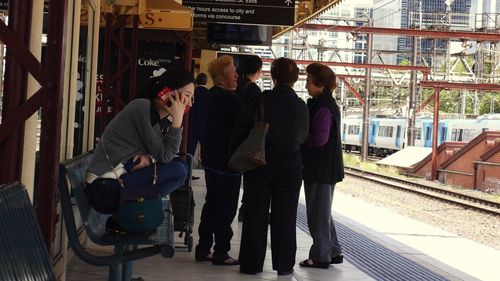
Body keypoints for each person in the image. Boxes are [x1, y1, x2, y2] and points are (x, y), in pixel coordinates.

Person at [232, 57, 309, 276]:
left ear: (273, 77)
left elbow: (242, 128)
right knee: (285, 216)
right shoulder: (301, 106)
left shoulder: (261, 100)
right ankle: (284, 266)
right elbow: (303, 136)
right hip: (290, 166)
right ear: (295, 80)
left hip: (259, 162)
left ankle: (250, 264)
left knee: (255, 213)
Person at [85, 70, 194, 213]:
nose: (190, 103)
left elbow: (162, 154)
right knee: (178, 170)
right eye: (187, 95)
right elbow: (165, 156)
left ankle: (139, 208)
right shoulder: (142, 108)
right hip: (101, 188)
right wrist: (178, 121)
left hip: (115, 181)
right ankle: (139, 209)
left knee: (181, 164)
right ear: (168, 92)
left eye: (192, 98)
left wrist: (148, 158)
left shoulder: (156, 116)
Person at [195, 55, 243, 266]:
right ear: (223, 79)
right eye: (233, 73)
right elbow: (245, 125)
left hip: (211, 160)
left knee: (211, 204)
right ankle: (221, 251)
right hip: (227, 164)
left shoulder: (210, 96)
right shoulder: (230, 100)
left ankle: (203, 247)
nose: (236, 76)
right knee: (226, 208)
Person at [299, 63, 345, 269]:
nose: (306, 85)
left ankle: (320, 256)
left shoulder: (323, 106)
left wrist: (300, 138)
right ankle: (333, 250)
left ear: (320, 84)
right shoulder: (325, 103)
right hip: (324, 168)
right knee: (322, 212)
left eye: (309, 81)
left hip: (319, 168)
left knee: (317, 213)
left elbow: (319, 138)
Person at [234, 55, 262, 222]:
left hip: (234, 136)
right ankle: (245, 208)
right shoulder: (254, 91)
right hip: (248, 139)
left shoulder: (237, 86)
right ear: (258, 71)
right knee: (250, 176)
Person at [188, 73, 209, 179]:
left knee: (190, 150)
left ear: (196, 82)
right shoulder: (209, 94)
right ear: (206, 81)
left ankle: (187, 174)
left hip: (191, 125)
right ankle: (208, 173)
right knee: (206, 150)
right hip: (204, 127)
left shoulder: (192, 92)